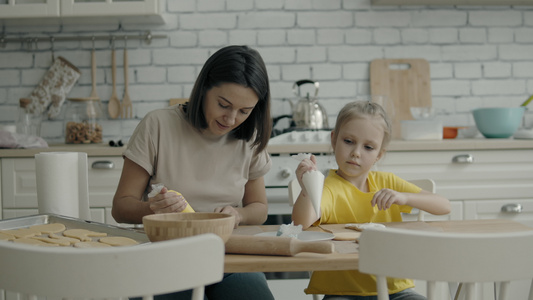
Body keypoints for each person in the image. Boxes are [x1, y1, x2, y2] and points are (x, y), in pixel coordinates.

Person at [112, 45, 275, 300]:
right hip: (165, 257)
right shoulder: (158, 125)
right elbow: (120, 208)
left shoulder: (249, 139)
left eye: (244, 111)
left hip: (227, 255)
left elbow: (260, 207)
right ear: (204, 88)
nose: (231, 119)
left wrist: (238, 215)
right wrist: (154, 209)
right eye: (224, 104)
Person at [292, 101, 451, 300]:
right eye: (348, 141)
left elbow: (444, 205)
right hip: (342, 292)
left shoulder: (388, 182)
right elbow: (301, 223)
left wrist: (404, 198)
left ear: (379, 154)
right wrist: (307, 189)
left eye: (368, 147)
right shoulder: (327, 187)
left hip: (395, 290)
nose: (356, 152)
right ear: (334, 140)